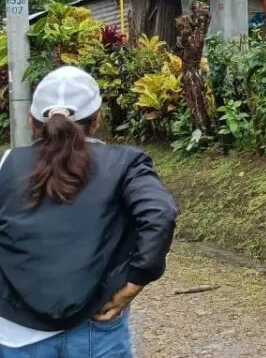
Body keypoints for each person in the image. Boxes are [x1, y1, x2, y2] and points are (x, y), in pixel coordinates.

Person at [0, 66, 178, 356]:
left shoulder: (5, 164)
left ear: (33, 120)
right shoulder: (126, 163)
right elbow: (159, 213)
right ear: (97, 120)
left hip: (15, 334)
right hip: (96, 328)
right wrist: (135, 280)